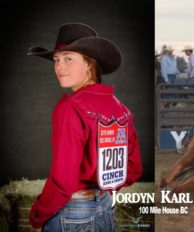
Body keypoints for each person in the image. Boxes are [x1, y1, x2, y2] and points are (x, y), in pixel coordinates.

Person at [27, 23, 143, 232]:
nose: (59, 66)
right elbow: (133, 170)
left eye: (68, 58)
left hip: (71, 212)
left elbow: (63, 180)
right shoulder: (122, 110)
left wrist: (37, 216)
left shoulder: (70, 106)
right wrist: (103, 189)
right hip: (106, 207)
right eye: (56, 60)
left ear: (89, 64)